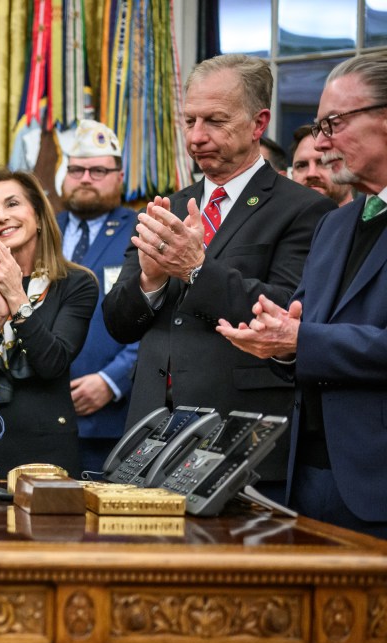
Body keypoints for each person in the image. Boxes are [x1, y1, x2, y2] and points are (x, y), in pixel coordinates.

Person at [102, 54, 334, 491]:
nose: (197, 136)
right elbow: (118, 324)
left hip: (238, 441)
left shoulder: (304, 210)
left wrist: (195, 268)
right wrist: (149, 281)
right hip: (148, 438)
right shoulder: (166, 207)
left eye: (215, 120)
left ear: (258, 122)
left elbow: (280, 315)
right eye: (189, 121)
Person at [218, 54, 387, 537]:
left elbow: (313, 337)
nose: (322, 139)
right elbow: (302, 329)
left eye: (334, 122)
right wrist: (277, 341)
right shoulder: (334, 223)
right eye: (319, 125)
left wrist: (300, 339)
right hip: (306, 477)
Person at [0, 169, 98, 477]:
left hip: (47, 449)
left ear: (38, 216)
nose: (1, 216)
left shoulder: (76, 283)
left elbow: (53, 362)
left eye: (12, 204)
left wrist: (16, 297)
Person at [57, 121, 140, 474]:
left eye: (98, 170)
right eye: (76, 169)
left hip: (113, 421)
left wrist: (111, 381)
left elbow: (157, 317)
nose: (85, 178)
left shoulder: (143, 230)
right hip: (45, 418)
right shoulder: (40, 228)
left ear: (119, 176)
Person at [291, 123, 354, 207]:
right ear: (291, 174)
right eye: (301, 165)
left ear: (351, 169)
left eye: (323, 162)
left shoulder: (372, 218)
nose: (311, 173)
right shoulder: (277, 220)